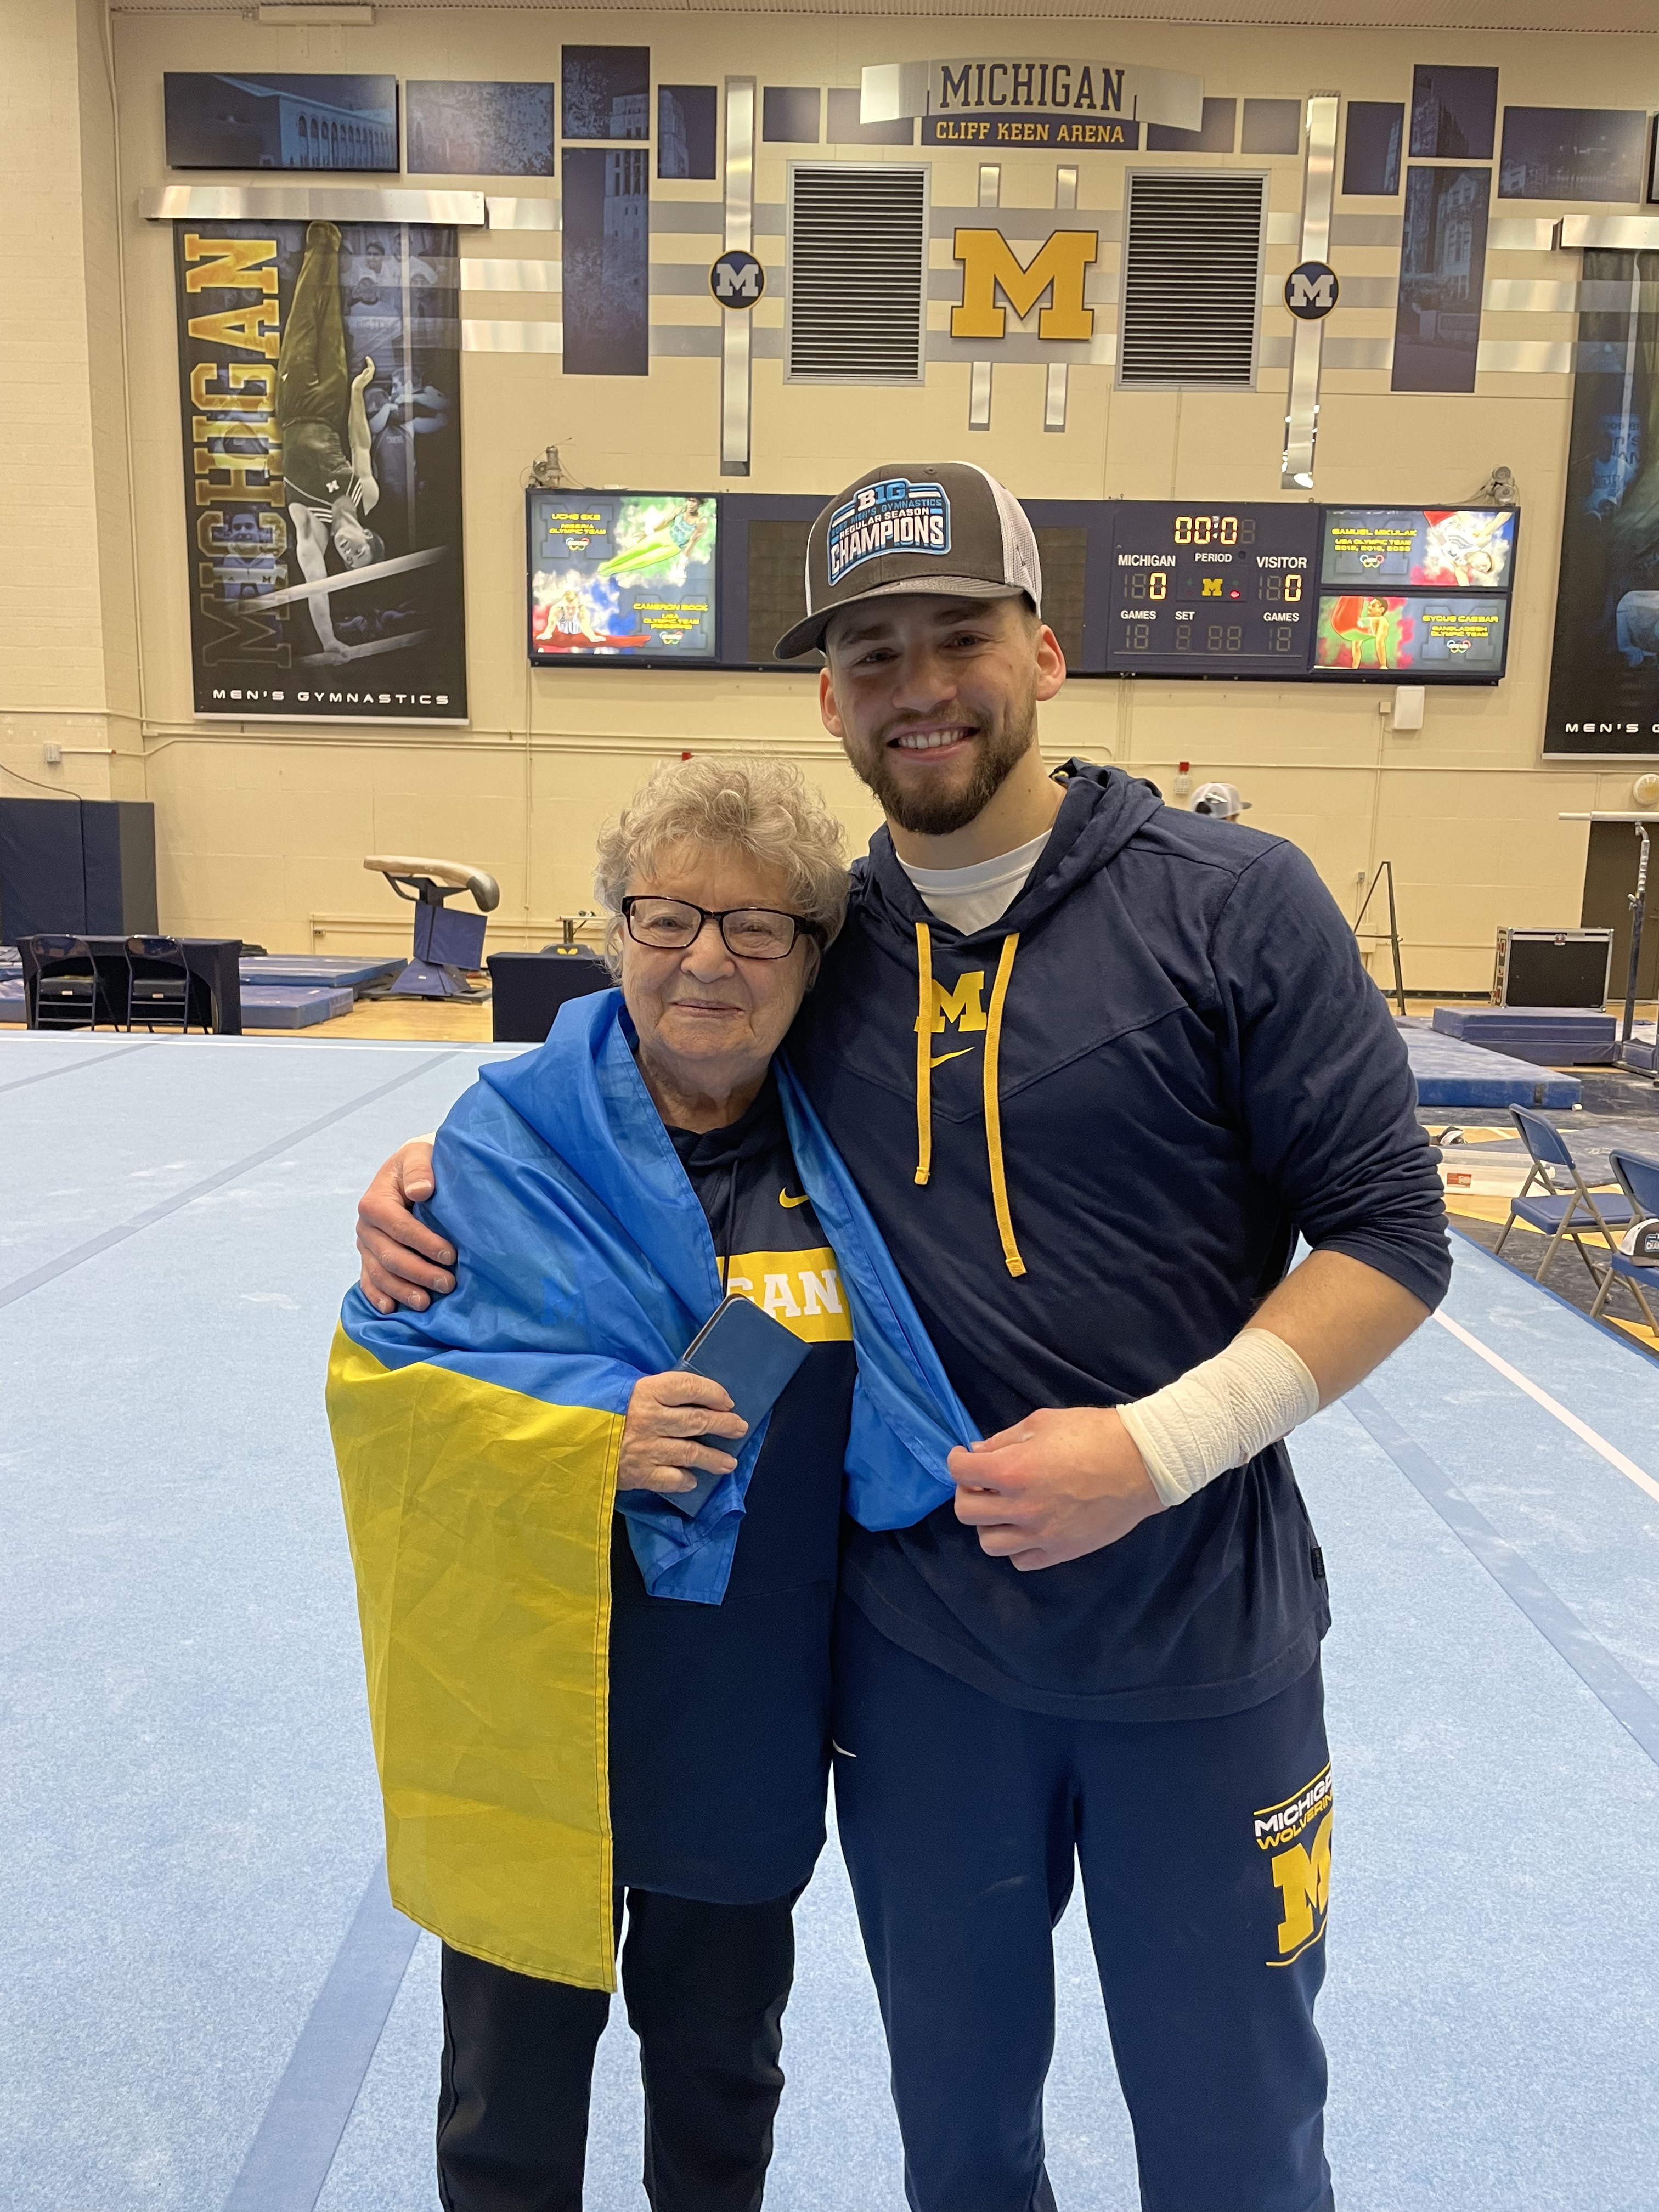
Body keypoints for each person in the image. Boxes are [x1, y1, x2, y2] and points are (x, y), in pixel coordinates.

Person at [354, 462, 1451, 2212]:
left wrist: (1152, 1451)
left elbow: (1394, 1231)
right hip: (927, 1670)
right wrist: (440, 1176)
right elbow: (645, 1084)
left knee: (1238, 2135)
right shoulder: (829, 943)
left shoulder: (1236, 903)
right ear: (828, 697)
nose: (920, 682)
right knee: (962, 2137)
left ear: (1048, 649)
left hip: (1202, 1650)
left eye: (959, 635)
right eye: (874, 653)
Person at [329, 758, 974, 2212]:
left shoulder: (868, 1156)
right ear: (612, 929)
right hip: (535, 1710)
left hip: (748, 1713)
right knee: (508, 2097)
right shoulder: (496, 1152)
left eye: (757, 929)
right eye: (667, 916)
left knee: (723, 2077)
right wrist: (586, 1442)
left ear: (812, 958)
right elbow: (384, 1407)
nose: (705, 961)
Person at [275, 219, 385, 661]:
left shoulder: (312, 529)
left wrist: (327, 640)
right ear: (367, 535)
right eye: (358, 553)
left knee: (305, 318)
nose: (347, 553)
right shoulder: (368, 496)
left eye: (349, 561)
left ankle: (317, 242)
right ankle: (334, 246)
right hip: (330, 407)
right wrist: (357, 394)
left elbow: (316, 585)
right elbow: (361, 445)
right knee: (333, 319)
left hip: (294, 406)